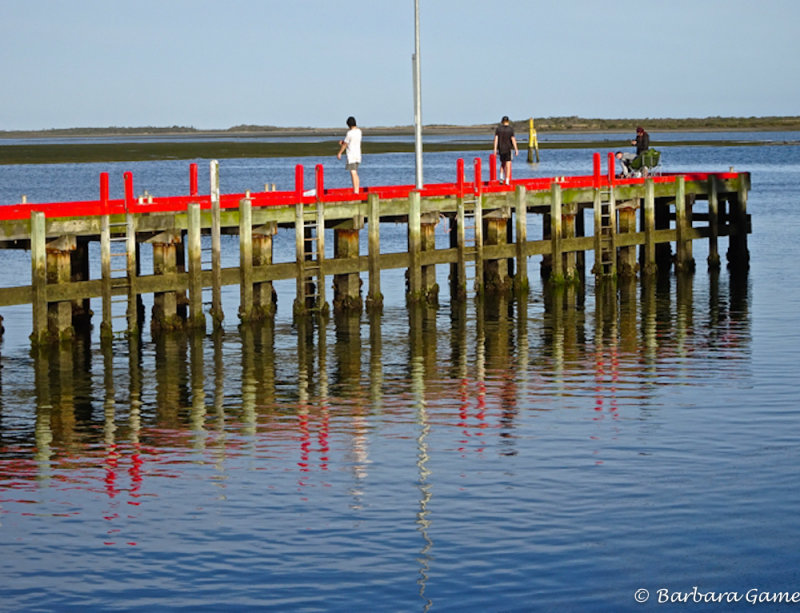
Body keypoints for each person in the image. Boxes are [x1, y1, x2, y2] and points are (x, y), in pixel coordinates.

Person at [337, 116, 362, 193]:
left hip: (351, 155)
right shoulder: (359, 131)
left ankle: (355, 191)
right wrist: (343, 142)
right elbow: (349, 142)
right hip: (358, 155)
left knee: (353, 172)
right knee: (355, 172)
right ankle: (357, 189)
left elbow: (345, 144)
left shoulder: (349, 133)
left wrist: (339, 153)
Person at [493, 116, 518, 184]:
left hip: (501, 149)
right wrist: (516, 149)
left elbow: (496, 140)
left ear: (502, 121)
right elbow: (513, 139)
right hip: (508, 149)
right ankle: (507, 180)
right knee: (508, 164)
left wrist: (495, 149)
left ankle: (501, 178)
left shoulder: (498, 129)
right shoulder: (510, 129)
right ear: (508, 121)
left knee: (502, 164)